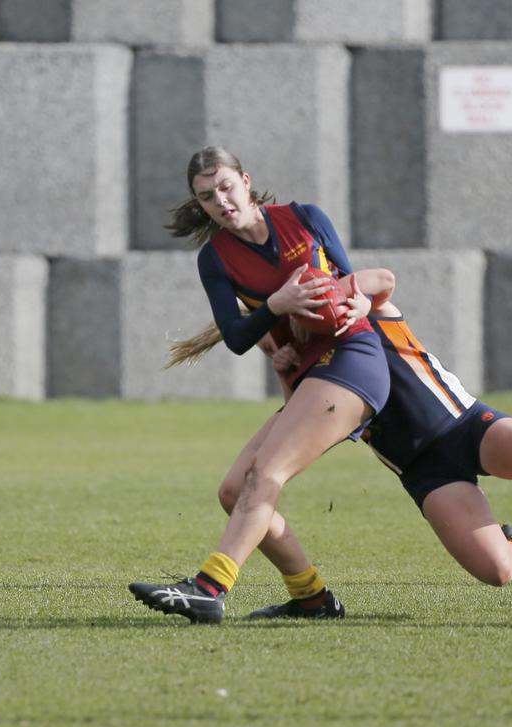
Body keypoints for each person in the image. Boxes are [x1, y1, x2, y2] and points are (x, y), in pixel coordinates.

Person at [160, 269, 512, 619]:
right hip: (423, 470)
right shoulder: (295, 354)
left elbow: (382, 280)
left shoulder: (354, 308)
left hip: (467, 427)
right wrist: (283, 367)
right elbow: (305, 415)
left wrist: (361, 294)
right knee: (497, 571)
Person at [127, 146, 392, 624]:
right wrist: (276, 307)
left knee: (265, 474)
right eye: (207, 197)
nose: (221, 201)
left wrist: (357, 302)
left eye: (226, 187)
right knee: (234, 491)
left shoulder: (306, 217)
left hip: (354, 358)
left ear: (245, 181)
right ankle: (312, 598)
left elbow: (351, 281)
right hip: (313, 375)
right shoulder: (216, 259)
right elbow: (234, 338)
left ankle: (209, 587)